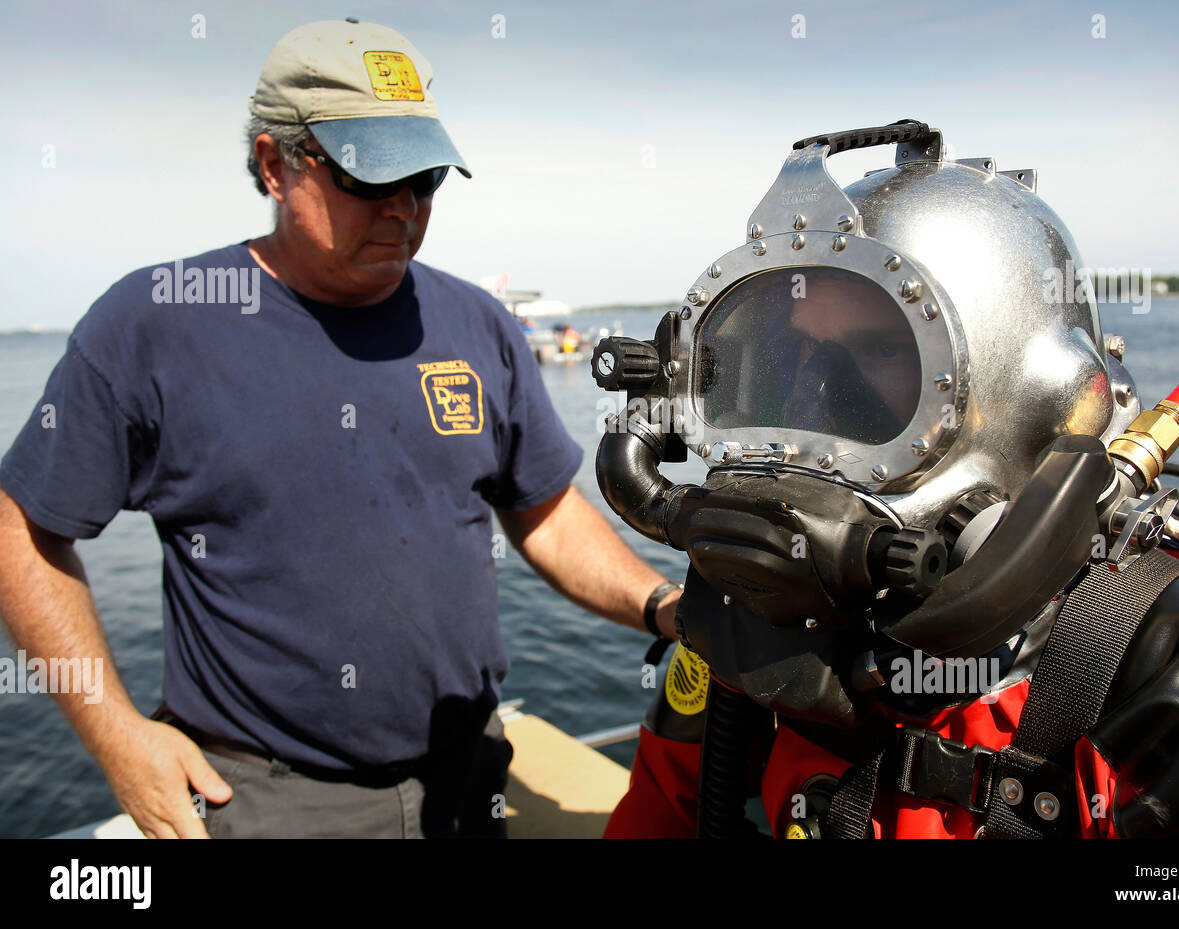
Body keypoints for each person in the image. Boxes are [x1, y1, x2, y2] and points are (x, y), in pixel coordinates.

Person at [0, 19, 680, 839]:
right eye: (370, 176)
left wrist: (662, 603)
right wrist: (117, 738)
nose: (404, 207)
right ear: (272, 164)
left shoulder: (478, 324)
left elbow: (541, 508)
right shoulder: (153, 325)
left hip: (465, 779)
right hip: (262, 798)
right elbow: (22, 530)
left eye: (426, 177)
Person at [590, 119, 1179, 838]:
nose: (815, 400)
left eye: (879, 351)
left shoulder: (1168, 678)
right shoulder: (740, 632)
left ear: (1049, 401)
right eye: (792, 357)